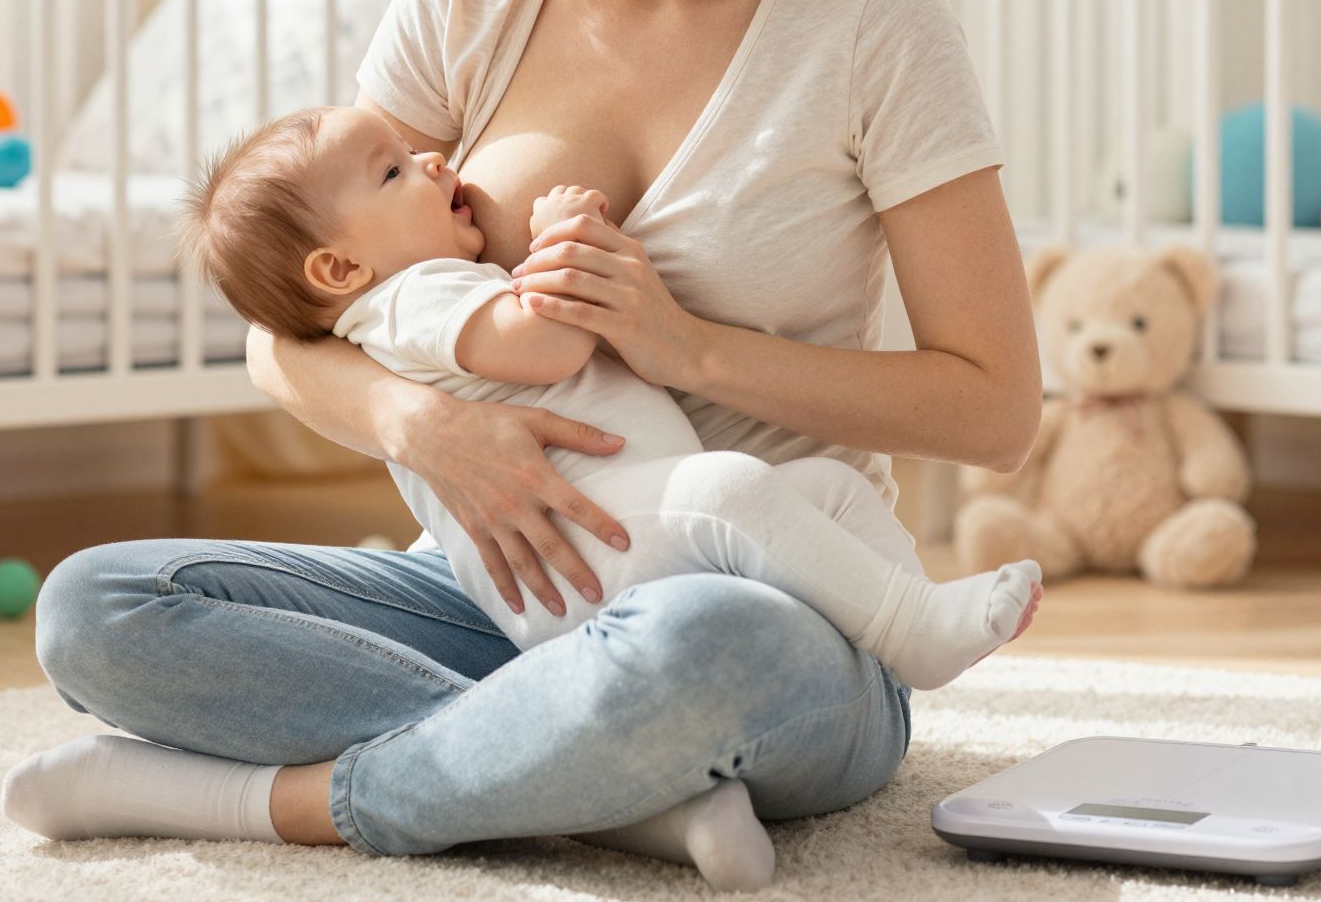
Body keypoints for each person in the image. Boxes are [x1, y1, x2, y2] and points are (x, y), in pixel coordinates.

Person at [4, 0, 1041, 892]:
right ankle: (595, 780)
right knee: (96, 609)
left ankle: (296, 800)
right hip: (501, 593)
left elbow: (995, 407)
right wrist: (423, 427)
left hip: (774, 608)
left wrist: (689, 349)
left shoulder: (868, 19)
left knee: (697, 651)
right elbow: (293, 326)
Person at [169, 99, 1043, 680]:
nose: (435, 160)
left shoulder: (415, 289)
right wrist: (566, 234)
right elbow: (545, 342)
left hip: (617, 545)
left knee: (826, 488)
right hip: (578, 559)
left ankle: (885, 638)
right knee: (735, 488)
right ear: (340, 267)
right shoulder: (408, 302)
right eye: (394, 171)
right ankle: (905, 631)